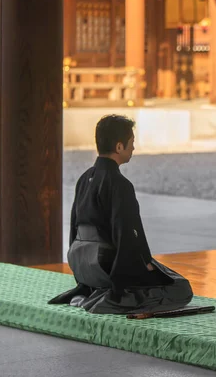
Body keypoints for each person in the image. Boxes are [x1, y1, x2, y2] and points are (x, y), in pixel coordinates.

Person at [49, 115, 193, 314]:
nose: (133, 148)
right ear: (119, 147)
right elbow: (126, 236)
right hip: (107, 266)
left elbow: (74, 229)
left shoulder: (84, 179)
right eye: (131, 143)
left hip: (82, 265)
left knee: (160, 272)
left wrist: (81, 276)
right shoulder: (120, 185)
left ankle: (89, 292)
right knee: (180, 287)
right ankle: (111, 297)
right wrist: (141, 266)